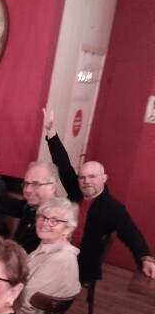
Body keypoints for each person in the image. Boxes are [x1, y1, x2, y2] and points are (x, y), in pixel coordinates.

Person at [43, 107, 155, 282]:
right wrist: (51, 132)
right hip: (56, 248)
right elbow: (63, 164)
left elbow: (131, 233)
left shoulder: (112, 208)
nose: (86, 182)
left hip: (79, 262)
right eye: (82, 177)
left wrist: (146, 258)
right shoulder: (76, 189)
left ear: (104, 178)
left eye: (92, 177)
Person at [16, 197, 81, 314]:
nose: (45, 223)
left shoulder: (60, 261)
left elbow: (24, 304)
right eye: (42, 217)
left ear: (68, 229)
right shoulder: (46, 247)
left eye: (54, 220)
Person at [0, 143, 58, 253]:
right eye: (26, 183)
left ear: (52, 188)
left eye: (35, 184)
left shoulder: (56, 218)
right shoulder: (29, 207)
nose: (28, 190)